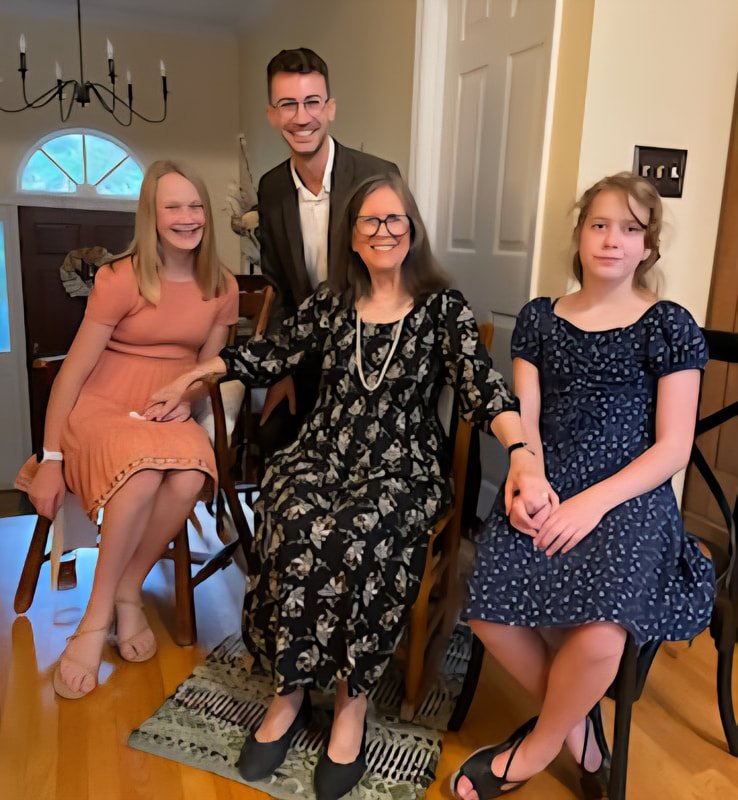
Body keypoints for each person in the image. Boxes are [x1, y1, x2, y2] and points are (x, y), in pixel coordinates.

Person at [145, 173, 555, 800]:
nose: (384, 231)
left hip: (404, 466)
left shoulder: (443, 309)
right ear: (353, 239)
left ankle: (349, 705)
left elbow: (482, 386)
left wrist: (522, 452)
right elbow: (271, 353)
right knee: (290, 512)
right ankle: (287, 697)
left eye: (395, 220)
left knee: (359, 532)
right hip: (324, 450)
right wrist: (196, 373)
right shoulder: (331, 304)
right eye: (370, 223)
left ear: (411, 231)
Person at [453, 173, 715, 800]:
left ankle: (536, 749)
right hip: (551, 476)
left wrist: (593, 504)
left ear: (648, 246)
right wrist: (527, 479)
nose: (612, 240)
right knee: (489, 610)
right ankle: (582, 735)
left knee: (602, 632)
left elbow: (673, 448)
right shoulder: (541, 318)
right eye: (599, 224)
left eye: (630, 229)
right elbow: (528, 419)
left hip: (631, 491)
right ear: (578, 234)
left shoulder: (668, 324)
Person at [16, 160, 239, 700]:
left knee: (188, 479)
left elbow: (209, 364)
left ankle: (128, 592)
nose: (187, 218)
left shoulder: (222, 286)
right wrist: (49, 457)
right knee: (138, 479)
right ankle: (96, 620)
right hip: (105, 403)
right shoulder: (120, 277)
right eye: (173, 207)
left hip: (169, 405)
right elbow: (73, 370)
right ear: (151, 215)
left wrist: (186, 399)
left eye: (195, 205)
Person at [256, 47, 400, 458]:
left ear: (330, 108)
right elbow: (277, 285)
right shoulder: (271, 189)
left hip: (373, 355)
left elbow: (400, 277)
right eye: (288, 105)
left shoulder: (378, 175)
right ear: (272, 115)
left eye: (312, 102)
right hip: (306, 361)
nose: (302, 118)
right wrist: (280, 371)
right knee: (272, 438)